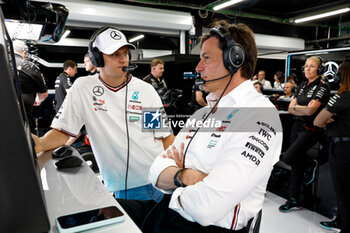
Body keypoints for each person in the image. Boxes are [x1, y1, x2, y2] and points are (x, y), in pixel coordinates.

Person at [117, 20, 282, 233]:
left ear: (235, 59)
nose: (198, 67)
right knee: (107, 213)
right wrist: (185, 176)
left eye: (206, 58)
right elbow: (155, 172)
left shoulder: (260, 115)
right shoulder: (202, 113)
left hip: (203, 225)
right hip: (171, 213)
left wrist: (173, 184)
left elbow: (207, 207)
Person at [33, 26, 174, 201]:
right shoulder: (83, 87)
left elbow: (163, 136)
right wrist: (40, 143)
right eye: (115, 54)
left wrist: (173, 175)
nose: (123, 59)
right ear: (97, 58)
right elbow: (63, 131)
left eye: (125, 53)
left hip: (156, 179)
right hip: (120, 185)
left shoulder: (145, 90)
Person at [279, 56, 330, 213]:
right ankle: (294, 199)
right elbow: (290, 108)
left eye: (312, 66)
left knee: (288, 157)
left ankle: (311, 165)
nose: (307, 69)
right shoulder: (302, 85)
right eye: (306, 66)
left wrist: (300, 108)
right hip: (297, 125)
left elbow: (311, 110)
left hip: (312, 129)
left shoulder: (322, 86)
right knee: (295, 163)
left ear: (319, 69)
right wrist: (302, 108)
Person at [314, 57, 350, 233]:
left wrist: (330, 120)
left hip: (342, 150)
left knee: (343, 192)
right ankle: (340, 222)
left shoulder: (341, 97)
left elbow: (318, 121)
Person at [13, 40, 48, 131]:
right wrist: (38, 100)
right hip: (22, 116)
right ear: (24, 53)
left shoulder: (3, 64)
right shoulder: (31, 66)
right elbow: (43, 93)